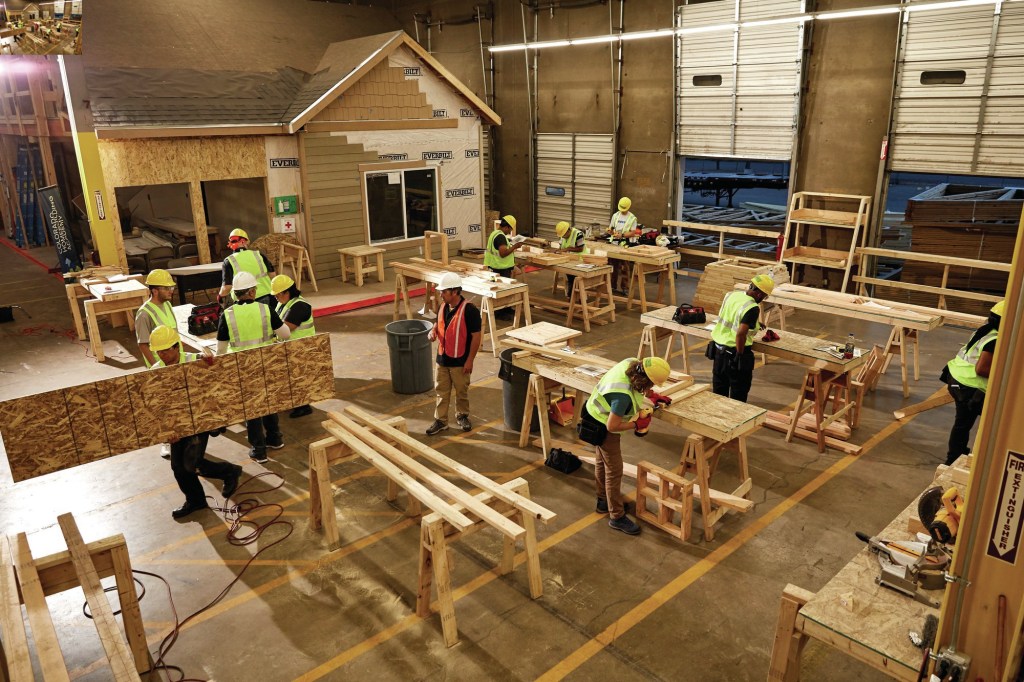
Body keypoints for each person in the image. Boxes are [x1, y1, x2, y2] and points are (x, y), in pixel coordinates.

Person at [148, 325, 243, 519]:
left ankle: (229, 472)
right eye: (159, 351)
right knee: (178, 467)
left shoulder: (194, 361)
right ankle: (196, 500)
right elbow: (157, 405)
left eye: (166, 350)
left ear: (177, 347)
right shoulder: (155, 372)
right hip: (177, 425)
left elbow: (216, 373)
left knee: (192, 462)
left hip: (199, 421)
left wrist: (209, 360)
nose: (162, 355)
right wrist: (166, 431)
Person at [582, 356, 673, 535]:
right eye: (651, 385)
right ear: (645, 380)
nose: (651, 388)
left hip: (593, 411)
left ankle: (603, 501)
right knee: (614, 471)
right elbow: (612, 426)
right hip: (602, 425)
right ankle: (616, 516)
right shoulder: (621, 397)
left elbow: (638, 385)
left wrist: (652, 396)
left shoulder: (631, 363)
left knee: (602, 462)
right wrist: (637, 424)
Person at [217, 271, 291, 463]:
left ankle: (259, 450)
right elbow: (285, 334)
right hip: (265, 363)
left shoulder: (227, 315)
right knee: (268, 400)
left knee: (251, 409)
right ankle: (275, 439)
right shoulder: (265, 309)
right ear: (251, 292)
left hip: (243, 368)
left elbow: (221, 350)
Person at [941, 300, 1003, 466]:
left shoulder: (985, 331)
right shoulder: (995, 340)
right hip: (969, 387)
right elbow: (981, 369)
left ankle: (956, 455)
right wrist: (1005, 375)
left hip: (956, 378)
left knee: (962, 424)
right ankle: (954, 460)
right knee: (992, 422)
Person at [425, 273, 482, 436]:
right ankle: (441, 421)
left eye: (444, 291)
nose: (440, 294)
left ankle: (462, 415)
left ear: (455, 291)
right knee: (441, 392)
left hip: (460, 361)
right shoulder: (443, 306)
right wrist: (433, 331)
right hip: (442, 359)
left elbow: (476, 337)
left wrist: (470, 360)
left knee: (461, 391)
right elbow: (439, 323)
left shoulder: (470, 311)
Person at [707, 274, 774, 402]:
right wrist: (740, 354)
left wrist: (753, 323)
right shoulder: (752, 307)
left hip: (718, 351)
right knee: (739, 394)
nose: (764, 299)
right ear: (760, 294)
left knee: (719, 392)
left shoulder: (731, 295)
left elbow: (733, 316)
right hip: (733, 353)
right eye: (765, 296)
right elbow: (741, 333)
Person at [135, 268, 180, 459]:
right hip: (161, 367)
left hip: (176, 363)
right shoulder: (144, 314)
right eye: (166, 288)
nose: (171, 291)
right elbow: (143, 344)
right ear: (154, 290)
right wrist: (157, 368)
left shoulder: (168, 306)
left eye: (171, 287)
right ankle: (165, 442)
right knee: (163, 406)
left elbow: (174, 335)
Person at [271, 274, 315, 418]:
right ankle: (294, 402)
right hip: (290, 347)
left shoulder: (300, 306)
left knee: (298, 378)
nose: (276, 298)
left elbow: (287, 328)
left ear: (287, 292)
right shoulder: (284, 303)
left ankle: (303, 406)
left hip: (301, 348)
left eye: (277, 295)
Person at [217, 228, 276, 307]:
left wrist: (220, 296)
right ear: (245, 241)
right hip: (267, 297)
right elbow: (272, 276)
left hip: (244, 301)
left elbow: (227, 287)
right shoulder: (259, 255)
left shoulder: (229, 261)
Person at [484, 215, 524, 319]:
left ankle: (506, 309)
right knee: (502, 291)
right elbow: (503, 253)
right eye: (510, 229)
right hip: (500, 268)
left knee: (501, 290)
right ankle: (500, 312)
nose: (509, 232)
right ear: (506, 227)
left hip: (495, 267)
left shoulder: (494, 233)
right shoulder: (500, 236)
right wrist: (515, 247)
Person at [608, 198, 638, 292]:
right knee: (613, 266)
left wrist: (622, 235)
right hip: (614, 243)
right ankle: (612, 286)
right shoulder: (615, 215)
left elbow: (633, 232)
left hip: (625, 244)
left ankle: (625, 288)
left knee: (625, 266)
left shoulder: (632, 218)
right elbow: (611, 228)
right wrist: (611, 232)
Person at [554, 220, 585, 299]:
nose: (563, 237)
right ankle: (571, 296)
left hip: (579, 259)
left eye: (564, 235)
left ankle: (573, 297)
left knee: (574, 278)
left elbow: (580, 249)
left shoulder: (578, 234)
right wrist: (558, 251)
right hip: (568, 259)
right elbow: (561, 247)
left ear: (568, 230)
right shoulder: (563, 236)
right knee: (570, 277)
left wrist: (567, 249)